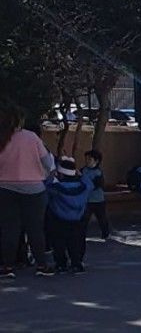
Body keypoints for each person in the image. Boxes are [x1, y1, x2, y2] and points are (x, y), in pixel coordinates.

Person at [0, 112, 57, 278]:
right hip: (34, 189)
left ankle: (8, 266)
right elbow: (48, 163)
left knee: (9, 229)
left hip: (5, 187)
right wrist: (44, 175)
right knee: (35, 228)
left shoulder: (2, 138)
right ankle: (41, 264)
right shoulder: (32, 137)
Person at [46, 157, 94, 274]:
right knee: (76, 242)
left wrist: (51, 175)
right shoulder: (83, 187)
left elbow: (45, 186)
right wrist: (81, 175)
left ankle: (61, 264)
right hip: (77, 219)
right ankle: (76, 264)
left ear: (61, 174)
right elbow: (90, 185)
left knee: (58, 243)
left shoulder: (56, 188)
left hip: (59, 219)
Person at [80, 150, 110, 240]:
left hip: (98, 200)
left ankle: (105, 233)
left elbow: (95, 185)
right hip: (86, 200)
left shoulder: (98, 172)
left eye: (90, 159)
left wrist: (84, 180)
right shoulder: (83, 170)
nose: (87, 161)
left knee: (102, 218)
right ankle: (81, 235)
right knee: (84, 219)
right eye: (86, 159)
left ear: (96, 161)